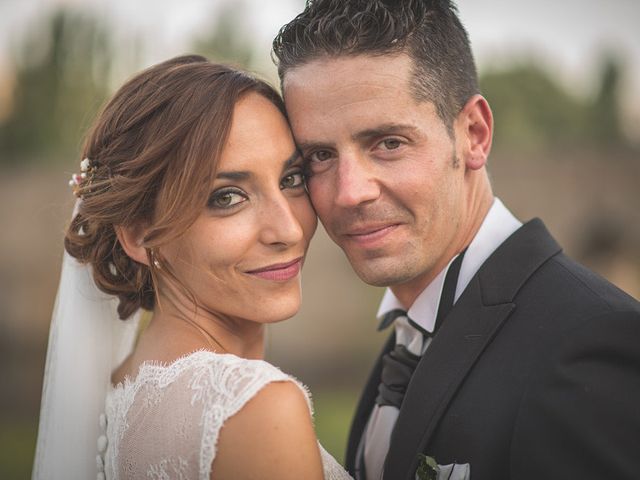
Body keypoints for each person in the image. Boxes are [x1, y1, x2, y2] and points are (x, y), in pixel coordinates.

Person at [272, 1, 640, 479]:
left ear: (474, 134)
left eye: (388, 143)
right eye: (319, 155)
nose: (349, 193)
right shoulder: (407, 338)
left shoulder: (587, 343)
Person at [33, 55, 354, 480]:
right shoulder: (255, 406)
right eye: (227, 197)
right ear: (139, 235)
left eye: (291, 179)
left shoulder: (118, 394)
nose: (289, 229)